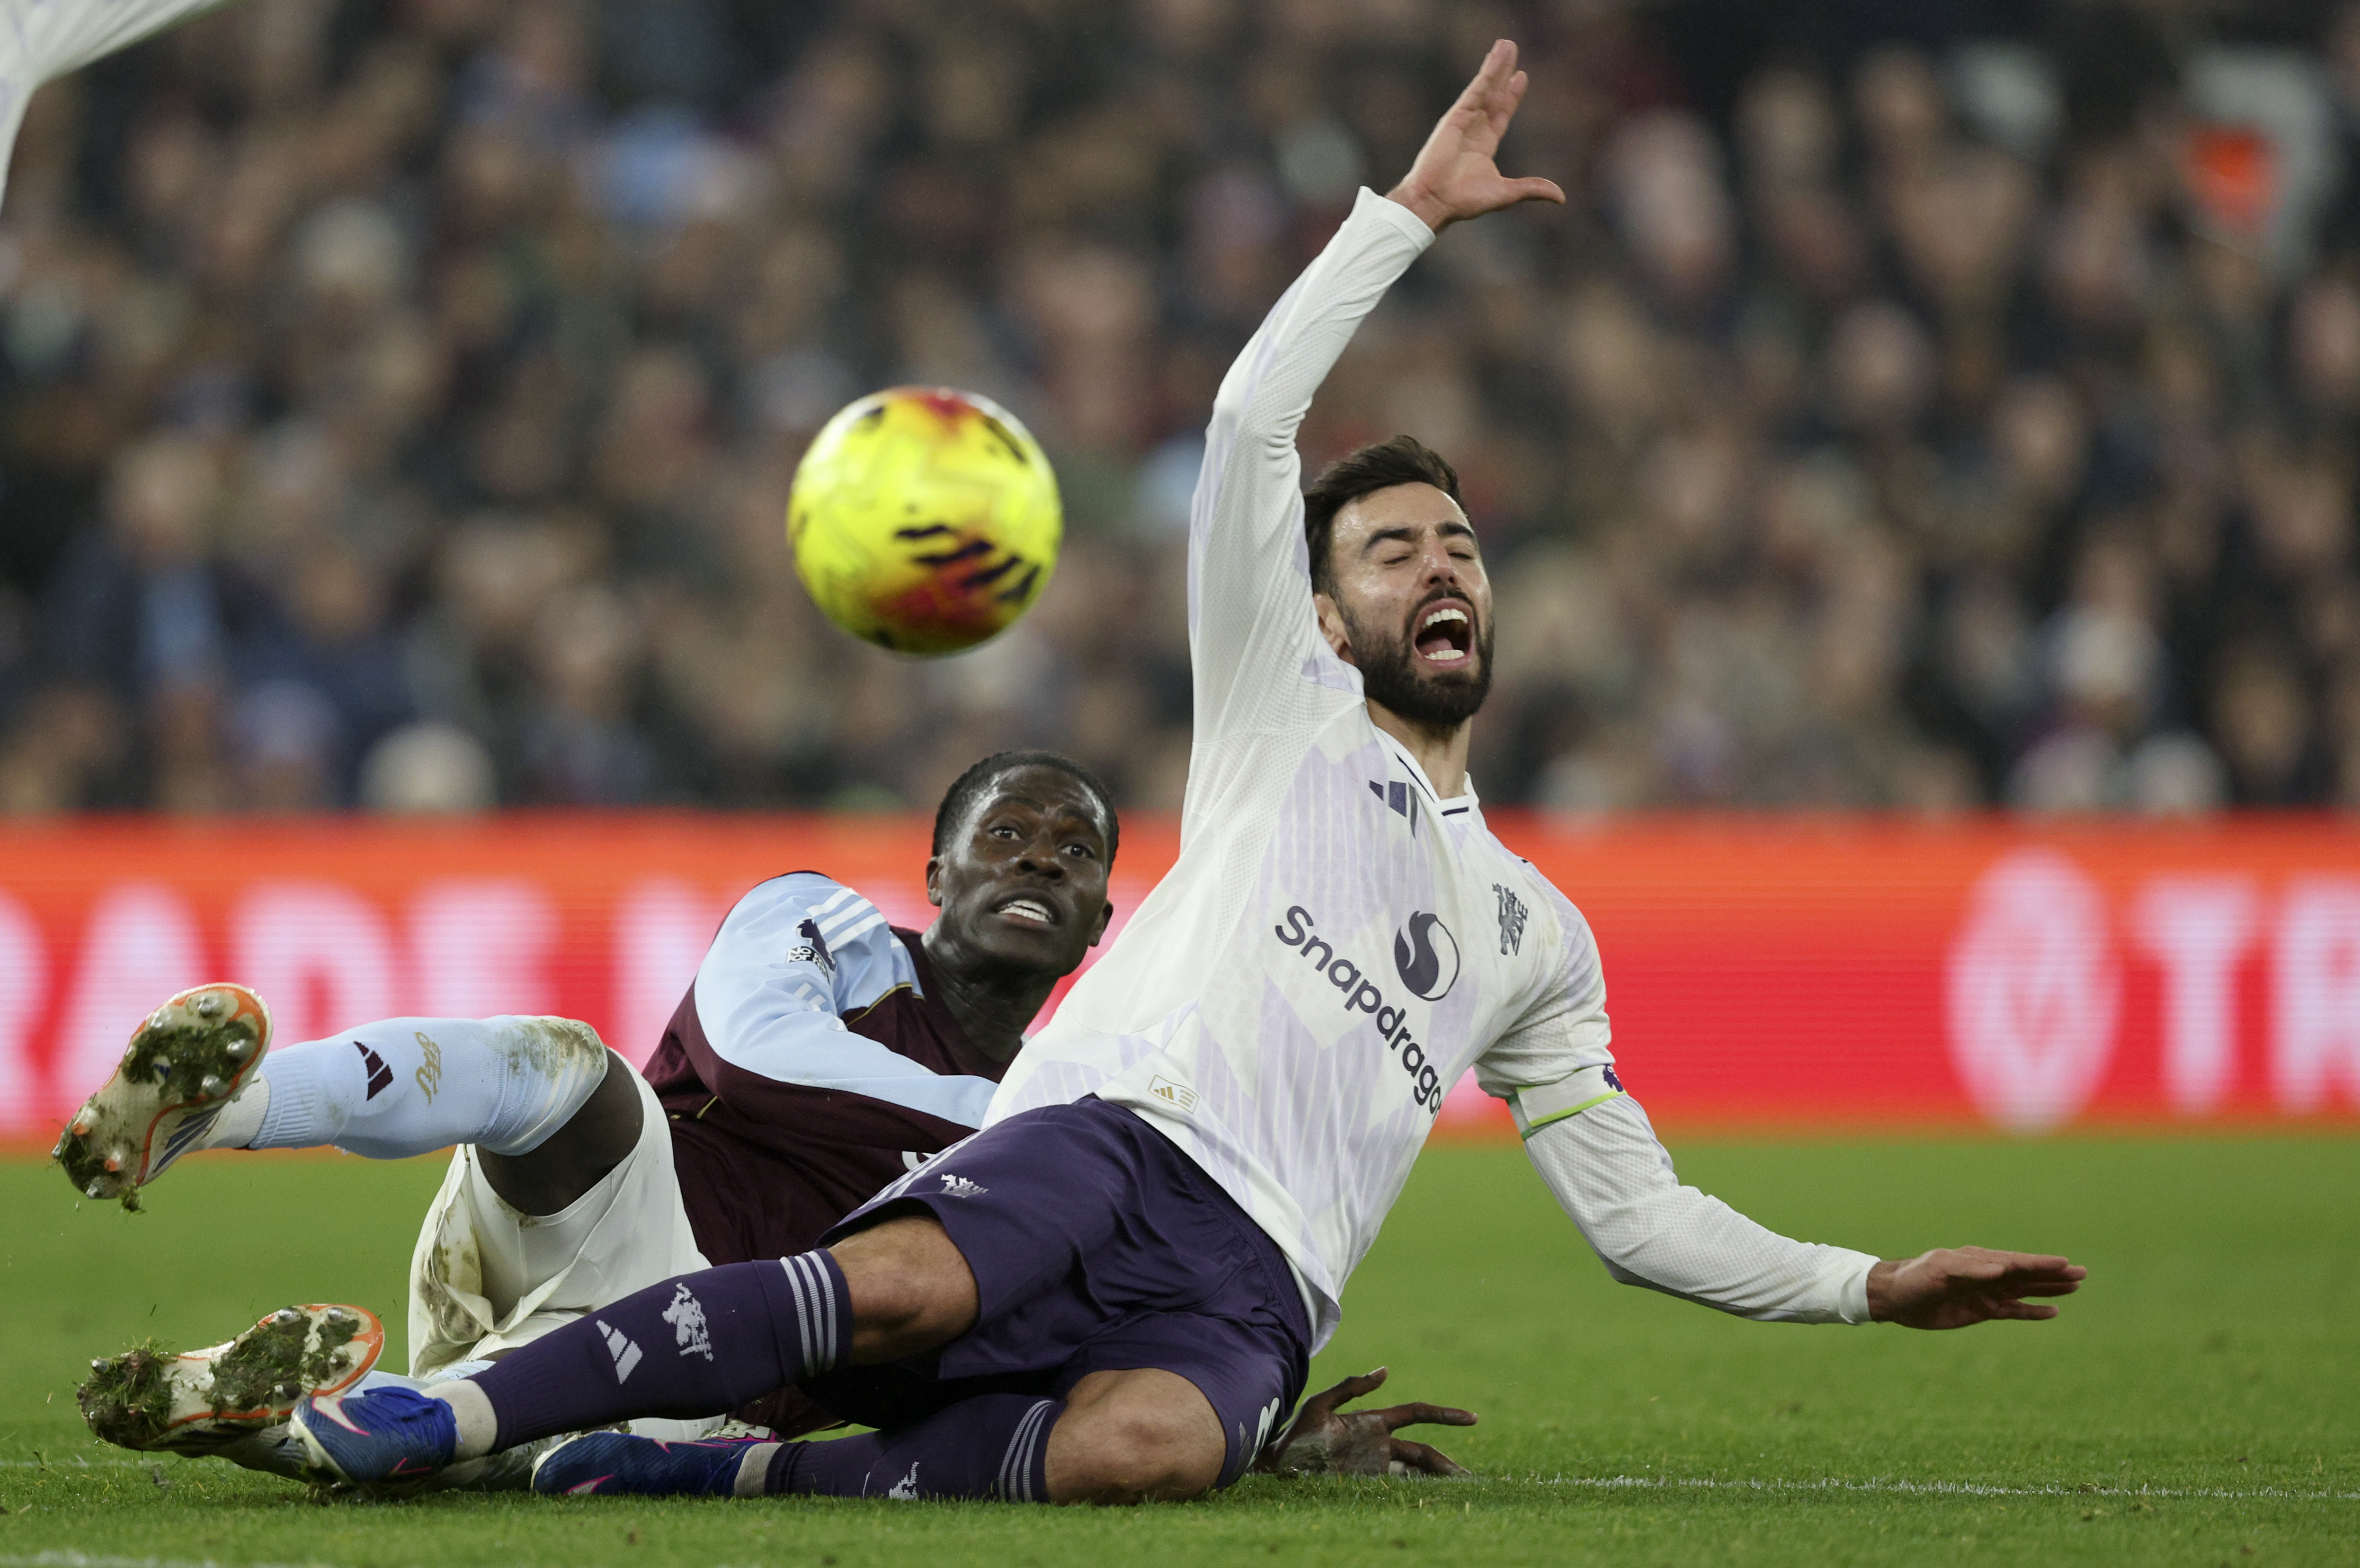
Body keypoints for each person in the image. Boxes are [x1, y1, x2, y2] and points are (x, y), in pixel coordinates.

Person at [277, 42, 2085, 1508]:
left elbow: (1632, 1214)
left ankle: (727, 1477)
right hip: (1112, 1138)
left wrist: (1867, 1284)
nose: (1437, 564)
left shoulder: (1537, 932)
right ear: (1315, 603)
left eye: (1458, 544)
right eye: (1391, 548)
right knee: (904, 1283)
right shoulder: (1279, 714)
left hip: (1259, 1281)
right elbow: (1247, 421)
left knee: (1148, 1451)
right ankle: (455, 1414)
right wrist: (1399, 222)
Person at [61, 751, 1476, 1488]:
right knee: (556, 1063)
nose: (1037, 857)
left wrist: (1237, 1427)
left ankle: (243, 1415)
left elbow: (1078, 1344)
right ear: (936, 868)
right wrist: (1014, 1111)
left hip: (691, 1373)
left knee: (452, 1455)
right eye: (1006, 834)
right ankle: (209, 1105)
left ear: (1103, 921)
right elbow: (747, 1059)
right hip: (604, 1204)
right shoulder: (825, 928)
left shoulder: (1077, 1128)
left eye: (1073, 851)